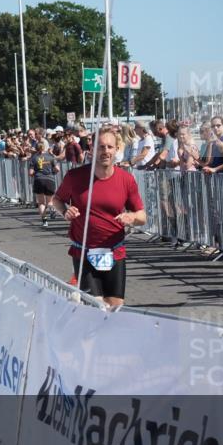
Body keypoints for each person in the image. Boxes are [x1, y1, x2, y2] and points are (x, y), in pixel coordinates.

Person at [49, 129, 146, 310]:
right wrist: (65, 212)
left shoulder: (126, 179)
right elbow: (56, 200)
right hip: (84, 251)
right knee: (96, 306)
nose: (105, 151)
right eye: (101, 147)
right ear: (92, 149)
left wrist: (131, 217)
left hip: (114, 252)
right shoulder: (75, 177)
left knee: (115, 306)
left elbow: (142, 216)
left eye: (110, 147)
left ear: (117, 149)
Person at [29, 139, 60, 226]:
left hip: (38, 179)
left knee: (41, 202)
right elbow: (57, 169)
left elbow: (30, 173)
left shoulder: (34, 158)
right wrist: (53, 172)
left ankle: (45, 221)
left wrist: (36, 173)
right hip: (49, 179)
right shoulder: (50, 156)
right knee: (50, 202)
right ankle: (52, 209)